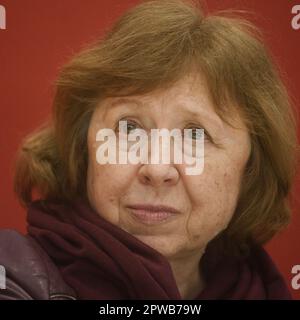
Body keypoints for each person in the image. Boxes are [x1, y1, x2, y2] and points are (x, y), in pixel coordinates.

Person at [0, 0, 298, 300]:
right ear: (83, 146)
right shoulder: (12, 281)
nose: (156, 169)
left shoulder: (263, 289)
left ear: (251, 167)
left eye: (195, 134)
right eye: (129, 128)